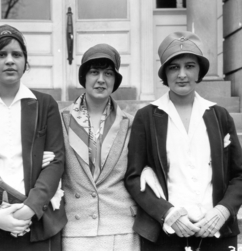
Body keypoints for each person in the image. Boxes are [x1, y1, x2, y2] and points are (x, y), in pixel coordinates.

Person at [125, 31, 242, 251]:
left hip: (215, 234)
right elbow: (134, 177)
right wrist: (168, 214)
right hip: (167, 235)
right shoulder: (147, 117)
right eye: (174, 67)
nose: (182, 74)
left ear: (199, 71)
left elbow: (241, 175)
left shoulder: (218, 115)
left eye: (189, 66)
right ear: (165, 73)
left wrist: (222, 211)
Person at [0, 24, 67, 251]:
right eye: (1, 54)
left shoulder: (45, 105)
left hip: (37, 225)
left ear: (25, 62)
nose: (9, 60)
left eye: (16, 54)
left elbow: (56, 161)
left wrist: (30, 208)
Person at [60, 44, 164, 251]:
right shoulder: (60, 121)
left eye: (108, 73)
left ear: (115, 80)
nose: (101, 79)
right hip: (76, 228)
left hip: (122, 227)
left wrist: (147, 169)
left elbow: (143, 164)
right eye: (94, 72)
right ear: (84, 78)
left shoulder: (132, 123)